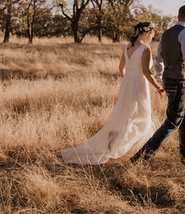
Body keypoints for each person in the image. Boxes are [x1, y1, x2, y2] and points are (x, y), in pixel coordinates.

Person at [61, 22, 164, 165]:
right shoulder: (145, 48)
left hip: (127, 84)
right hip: (139, 85)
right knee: (142, 115)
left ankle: (129, 145)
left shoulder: (127, 47)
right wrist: (159, 87)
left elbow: (121, 67)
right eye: (152, 35)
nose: (151, 39)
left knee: (125, 114)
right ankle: (137, 149)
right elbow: (146, 72)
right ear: (147, 33)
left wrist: (127, 80)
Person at [131, 5, 185, 164]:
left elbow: (158, 58)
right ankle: (140, 158)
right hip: (180, 81)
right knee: (173, 121)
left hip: (168, 80)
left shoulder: (166, 34)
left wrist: (160, 78)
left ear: (178, 16)